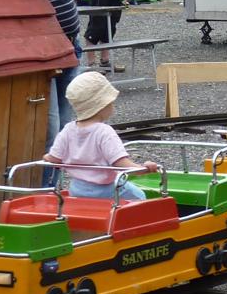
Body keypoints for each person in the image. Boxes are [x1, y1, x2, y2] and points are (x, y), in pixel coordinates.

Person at [19, 0, 88, 180]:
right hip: (41, 55)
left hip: (71, 46)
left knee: (64, 126)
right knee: (50, 128)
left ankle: (54, 190)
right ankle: (45, 195)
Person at [44, 72, 160, 200]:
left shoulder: (68, 130)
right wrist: (143, 168)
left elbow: (52, 159)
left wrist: (45, 157)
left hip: (77, 190)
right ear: (103, 106)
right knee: (140, 196)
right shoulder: (105, 132)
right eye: (111, 102)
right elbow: (121, 163)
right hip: (106, 190)